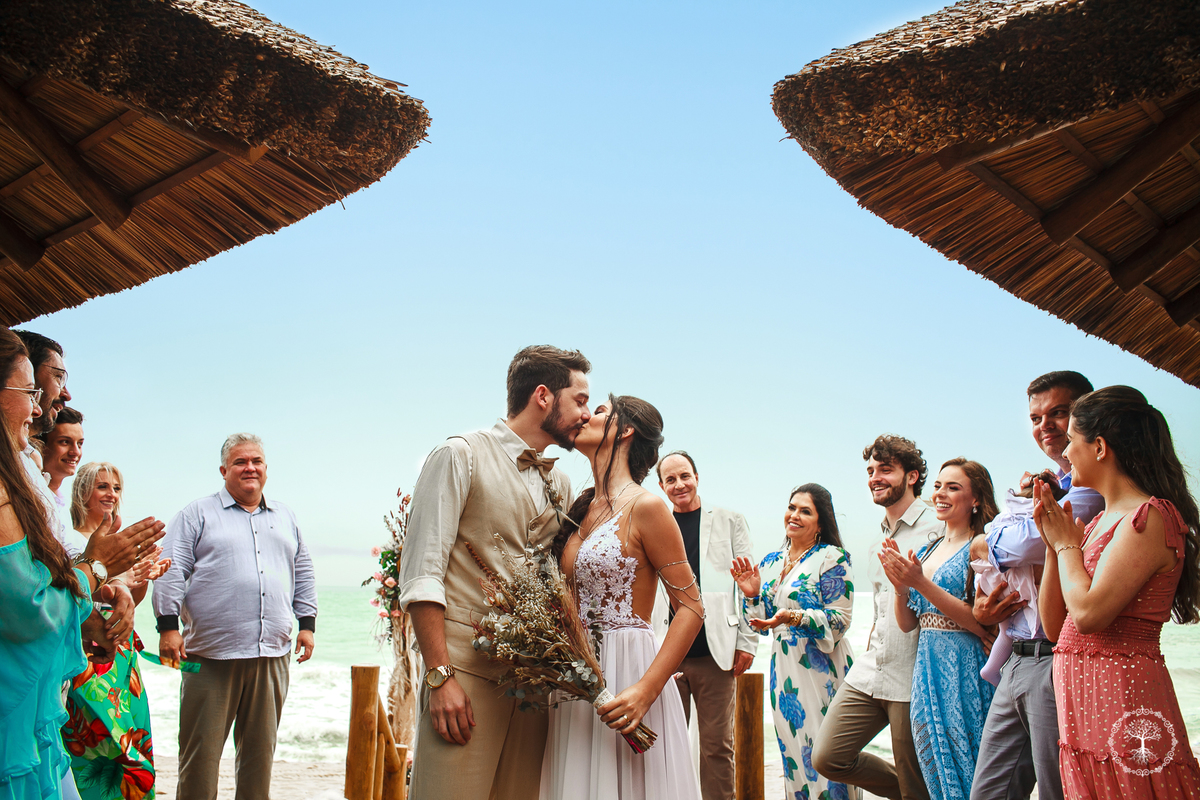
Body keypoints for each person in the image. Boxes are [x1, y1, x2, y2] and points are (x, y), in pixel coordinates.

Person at [399, 345, 592, 800]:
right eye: (580, 399)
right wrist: (440, 676)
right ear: (543, 396)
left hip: (531, 687)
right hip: (462, 675)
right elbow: (422, 573)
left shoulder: (560, 482)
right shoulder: (458, 455)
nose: (585, 413)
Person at [0, 327, 160, 800]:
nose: (36, 407)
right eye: (29, 390)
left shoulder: (18, 475)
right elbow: (31, 605)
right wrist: (99, 570)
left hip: (38, 699)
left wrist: (110, 590)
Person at [1034, 386, 1200, 798]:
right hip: (1081, 699)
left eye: (1072, 440)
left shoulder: (1150, 517)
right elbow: (1056, 627)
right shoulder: (1094, 526)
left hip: (1123, 695)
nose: (1067, 452)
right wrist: (1056, 546)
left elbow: (1090, 615)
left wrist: (1067, 546)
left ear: (1100, 446)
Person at [541, 395, 703, 800]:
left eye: (597, 411)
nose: (584, 416)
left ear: (624, 430)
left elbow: (691, 607)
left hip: (629, 672)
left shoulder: (648, 507)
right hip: (577, 675)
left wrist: (647, 690)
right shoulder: (580, 509)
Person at [152, 433, 317, 800]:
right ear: (224, 469)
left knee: (260, 761)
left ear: (266, 469)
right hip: (212, 658)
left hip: (272, 656)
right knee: (199, 761)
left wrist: (307, 625)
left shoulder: (285, 516)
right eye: (241, 462)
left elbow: (302, 570)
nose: (250, 468)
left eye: (256, 461)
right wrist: (168, 628)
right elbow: (171, 569)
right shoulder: (197, 513)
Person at [970, 370, 1105, 800]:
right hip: (1017, 658)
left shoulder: (1091, 488)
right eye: (1035, 418)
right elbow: (1019, 539)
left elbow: (1024, 546)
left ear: (1087, 416)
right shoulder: (1054, 486)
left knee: (1057, 790)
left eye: (1058, 413)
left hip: (1057, 659)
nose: (1044, 426)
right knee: (988, 792)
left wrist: (983, 539)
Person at [812, 435, 942, 800]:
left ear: (912, 476)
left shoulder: (938, 528)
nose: (875, 477)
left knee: (919, 783)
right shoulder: (876, 542)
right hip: (871, 669)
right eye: (870, 470)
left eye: (886, 469)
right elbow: (882, 609)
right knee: (828, 756)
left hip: (913, 673)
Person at [880, 458, 999, 800]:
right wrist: (901, 587)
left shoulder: (982, 545)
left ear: (976, 499)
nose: (941, 494)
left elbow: (981, 622)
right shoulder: (928, 549)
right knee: (934, 761)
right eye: (938, 486)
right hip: (926, 667)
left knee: (969, 762)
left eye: (953, 487)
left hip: (965, 667)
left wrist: (919, 581)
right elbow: (907, 624)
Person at [733, 484, 856, 800]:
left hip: (821, 669)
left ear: (821, 521)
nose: (795, 516)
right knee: (793, 754)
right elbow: (760, 625)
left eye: (806, 511)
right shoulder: (772, 561)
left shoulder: (833, 558)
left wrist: (794, 617)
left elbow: (839, 622)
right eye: (792, 507)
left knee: (824, 756)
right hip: (784, 672)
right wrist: (752, 596)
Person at [651, 450, 756, 800]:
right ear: (661, 485)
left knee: (717, 748)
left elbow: (748, 587)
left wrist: (748, 642)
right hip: (667, 654)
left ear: (697, 477)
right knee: (665, 748)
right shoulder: (655, 522)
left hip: (717, 652)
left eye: (685, 476)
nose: (679, 484)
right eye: (670, 479)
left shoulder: (730, 521)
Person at [63, 461, 169, 800]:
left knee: (132, 747)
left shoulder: (120, 542)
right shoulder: (69, 537)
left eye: (116, 488)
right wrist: (118, 577)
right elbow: (77, 595)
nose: (111, 494)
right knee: (99, 747)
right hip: (89, 655)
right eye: (103, 486)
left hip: (122, 659)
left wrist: (141, 577)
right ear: (83, 492)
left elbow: (130, 605)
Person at [36, 405, 84, 537]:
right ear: (41, 445)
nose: (75, 452)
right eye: (64, 442)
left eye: (79, 444)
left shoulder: (61, 503)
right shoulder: (34, 498)